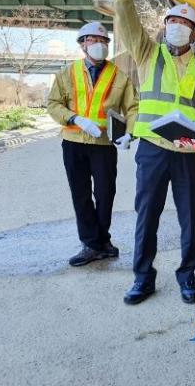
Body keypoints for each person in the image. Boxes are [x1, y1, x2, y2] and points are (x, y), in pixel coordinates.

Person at [110, 0, 195, 305]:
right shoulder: (148, 53)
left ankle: (188, 276)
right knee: (147, 215)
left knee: (190, 218)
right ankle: (143, 278)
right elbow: (128, 26)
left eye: (184, 23)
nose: (176, 26)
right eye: (172, 21)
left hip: (187, 150)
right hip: (153, 148)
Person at [48, 22, 137, 267]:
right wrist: (75, 118)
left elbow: (133, 107)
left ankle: (102, 240)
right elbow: (53, 104)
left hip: (104, 144)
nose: (99, 44)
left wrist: (130, 133)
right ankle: (92, 244)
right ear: (82, 44)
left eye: (104, 40)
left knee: (106, 193)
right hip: (74, 142)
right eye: (93, 40)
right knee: (81, 194)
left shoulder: (119, 76)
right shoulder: (67, 73)